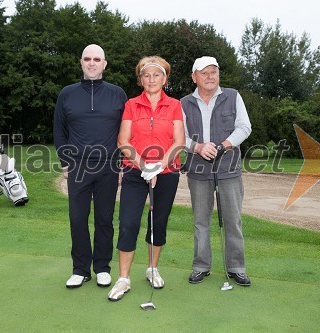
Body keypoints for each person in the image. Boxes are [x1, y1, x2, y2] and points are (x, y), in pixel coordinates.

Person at [107, 56, 185, 301]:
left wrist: (160, 166)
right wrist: (143, 165)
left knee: (157, 223)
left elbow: (179, 142)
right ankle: (123, 279)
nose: (151, 79)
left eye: (156, 75)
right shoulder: (131, 104)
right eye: (146, 75)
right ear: (140, 79)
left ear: (165, 78)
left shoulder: (174, 105)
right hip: (134, 171)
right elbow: (123, 140)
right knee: (128, 223)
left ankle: (152, 268)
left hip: (167, 173)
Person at [53, 44, 127, 289]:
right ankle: (80, 269)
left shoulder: (117, 94)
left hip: (108, 166)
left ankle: (103, 268)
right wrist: (65, 162)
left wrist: (121, 165)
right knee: (77, 218)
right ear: (81, 62)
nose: (92, 63)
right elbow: (59, 130)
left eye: (97, 59)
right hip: (78, 166)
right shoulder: (67, 93)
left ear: (105, 63)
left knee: (104, 219)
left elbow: (126, 132)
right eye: (87, 59)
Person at [180, 56, 252, 286]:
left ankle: (236, 268)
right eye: (204, 72)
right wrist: (198, 147)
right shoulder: (183, 103)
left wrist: (224, 145)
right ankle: (201, 266)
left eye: (214, 71)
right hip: (198, 170)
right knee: (201, 221)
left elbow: (244, 127)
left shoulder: (232, 96)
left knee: (233, 220)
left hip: (228, 169)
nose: (210, 76)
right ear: (194, 77)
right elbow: (180, 136)